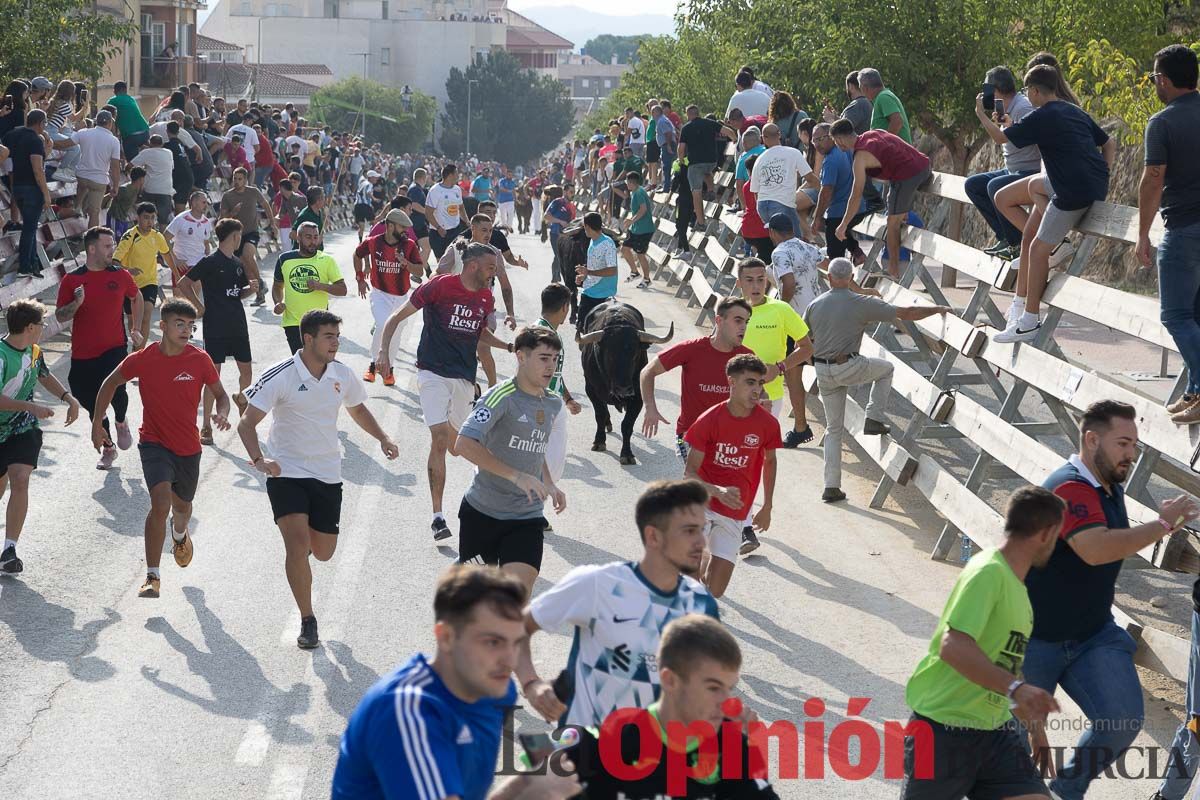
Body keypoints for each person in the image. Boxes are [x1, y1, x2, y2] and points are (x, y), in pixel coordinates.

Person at [1022, 400, 1198, 799]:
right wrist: (1162, 523)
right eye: (1123, 443)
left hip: (1091, 635)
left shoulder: (1108, 486)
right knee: (1009, 751)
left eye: (1134, 445)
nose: (1131, 455)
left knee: (1120, 719)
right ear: (1091, 439)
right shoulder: (1068, 486)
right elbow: (1095, 549)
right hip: (1033, 639)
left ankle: (1065, 791)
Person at [331, 564, 581, 800]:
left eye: (515, 642)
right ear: (447, 637)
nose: (509, 661)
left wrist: (525, 783)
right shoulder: (408, 713)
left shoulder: (495, 692)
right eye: (493, 642)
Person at [239, 309, 399, 649]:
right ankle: (308, 620)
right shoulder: (280, 375)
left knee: (323, 552)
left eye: (337, 337)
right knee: (297, 547)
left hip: (327, 472)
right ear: (308, 339)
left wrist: (382, 437)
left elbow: (356, 408)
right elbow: (246, 422)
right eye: (329, 336)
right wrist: (259, 459)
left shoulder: (341, 374)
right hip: (287, 472)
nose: (336, 343)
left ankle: (303, 562)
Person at [900, 487, 1065, 800]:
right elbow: (953, 646)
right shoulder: (988, 572)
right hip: (942, 731)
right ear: (1046, 533)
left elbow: (1007, 664)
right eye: (1058, 535)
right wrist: (1016, 689)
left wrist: (1036, 730)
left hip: (995, 735)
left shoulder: (1018, 590)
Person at [516, 479, 720, 727]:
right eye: (689, 531)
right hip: (586, 749)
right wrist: (530, 683)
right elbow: (517, 628)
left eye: (703, 529)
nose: (701, 542)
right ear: (653, 536)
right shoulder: (596, 584)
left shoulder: (701, 603)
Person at [91, 299, 229, 598]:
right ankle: (152, 576)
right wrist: (96, 423)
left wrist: (222, 412)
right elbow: (109, 383)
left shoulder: (200, 359)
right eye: (180, 324)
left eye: (191, 326)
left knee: (182, 507)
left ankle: (179, 533)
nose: (186, 331)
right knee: (160, 504)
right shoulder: (143, 358)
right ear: (162, 326)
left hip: (188, 447)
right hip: (153, 442)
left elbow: (220, 394)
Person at [560, 614, 778, 799]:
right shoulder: (603, 741)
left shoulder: (733, 747)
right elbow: (530, 777)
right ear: (670, 680)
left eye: (729, 688)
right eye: (713, 688)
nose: (726, 702)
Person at [376, 243, 510, 542]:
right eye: (491, 268)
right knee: (439, 438)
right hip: (432, 371)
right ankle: (438, 517)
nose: (495, 274)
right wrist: (384, 351)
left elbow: (480, 333)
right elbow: (396, 317)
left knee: (457, 446)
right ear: (473, 266)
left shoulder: (486, 297)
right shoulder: (438, 286)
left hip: (463, 376)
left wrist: (509, 347)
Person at [977, 65, 1114, 343]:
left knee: (1038, 250)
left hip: (1070, 192)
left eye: (1028, 91)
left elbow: (1001, 138)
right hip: (1089, 185)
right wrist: (1104, 179)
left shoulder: (1041, 116)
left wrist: (981, 114)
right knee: (1028, 187)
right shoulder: (1072, 110)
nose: (1027, 96)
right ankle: (1050, 229)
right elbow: (1109, 143)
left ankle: (1029, 321)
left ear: (1036, 91)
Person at [805, 258, 951, 502]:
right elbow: (906, 314)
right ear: (852, 278)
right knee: (886, 369)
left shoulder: (814, 304)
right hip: (847, 364)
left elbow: (805, 338)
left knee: (833, 429)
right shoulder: (862, 302)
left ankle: (831, 486)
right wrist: (936, 310)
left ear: (829, 278)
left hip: (822, 369)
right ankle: (873, 417)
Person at [454, 326, 565, 598]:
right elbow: (463, 444)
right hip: (482, 513)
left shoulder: (552, 403)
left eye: (555, 359)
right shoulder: (499, 396)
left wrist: (548, 483)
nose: (550, 366)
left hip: (526, 516)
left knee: (517, 592)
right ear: (521, 357)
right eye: (543, 358)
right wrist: (516, 476)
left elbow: (536, 450)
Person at [1138, 45, 1200, 426]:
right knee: (1196, 315)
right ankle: (1195, 392)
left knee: (1176, 315)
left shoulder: (1161, 123)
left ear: (1163, 79)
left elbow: (1153, 178)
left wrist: (1143, 233)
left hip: (1183, 229)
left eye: (1154, 78)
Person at [683, 355, 781, 598]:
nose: (757, 389)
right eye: (750, 382)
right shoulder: (708, 420)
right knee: (690, 582)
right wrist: (717, 491)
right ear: (732, 382)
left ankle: (705, 564)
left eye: (760, 383)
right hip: (701, 505)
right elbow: (689, 474)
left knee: (715, 591)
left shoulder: (767, 424)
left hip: (736, 512)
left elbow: (770, 461)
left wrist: (767, 506)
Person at [0, 301, 82, 575]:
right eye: (42, 324)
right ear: (31, 327)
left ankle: (9, 549)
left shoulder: (34, 352)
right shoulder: (0, 355)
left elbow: (44, 376)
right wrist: (29, 406)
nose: (45, 328)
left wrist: (68, 398)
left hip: (23, 429)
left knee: (20, 479)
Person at [59, 227, 143, 470]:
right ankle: (108, 445)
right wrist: (77, 303)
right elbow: (61, 316)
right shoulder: (73, 279)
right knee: (87, 396)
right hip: (83, 353)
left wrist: (135, 327)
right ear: (92, 248)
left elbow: (135, 297)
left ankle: (120, 421)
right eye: (108, 246)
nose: (112, 250)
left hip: (114, 347)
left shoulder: (121, 275)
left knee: (116, 390)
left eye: (113, 245)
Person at [177, 218, 259, 444]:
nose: (240, 240)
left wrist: (250, 290)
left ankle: (242, 401)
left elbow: (237, 293)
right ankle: (205, 427)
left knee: (247, 373)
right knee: (213, 377)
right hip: (215, 326)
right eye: (239, 236)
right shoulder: (210, 261)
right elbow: (183, 283)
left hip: (237, 324)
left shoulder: (237, 263)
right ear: (233, 236)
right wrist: (198, 307)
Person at [641, 296, 754, 461]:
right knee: (699, 483)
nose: (743, 327)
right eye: (738, 321)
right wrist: (650, 408)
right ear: (719, 320)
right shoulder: (691, 349)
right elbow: (647, 372)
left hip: (730, 439)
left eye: (746, 322)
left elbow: (756, 393)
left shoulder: (747, 357)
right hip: (690, 437)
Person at [831, 119, 932, 279]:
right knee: (891, 198)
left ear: (840, 140)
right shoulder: (872, 133)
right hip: (924, 165)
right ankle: (902, 213)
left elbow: (856, 195)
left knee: (892, 224)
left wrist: (843, 225)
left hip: (909, 174)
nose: (837, 145)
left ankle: (893, 271)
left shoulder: (860, 158)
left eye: (835, 142)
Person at [965, 66, 1043, 262]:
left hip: (1030, 171)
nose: (985, 93)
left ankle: (1016, 242)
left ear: (996, 88)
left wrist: (981, 114)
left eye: (987, 88)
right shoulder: (1007, 108)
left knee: (995, 186)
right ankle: (1006, 238)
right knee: (973, 185)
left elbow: (1001, 139)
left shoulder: (1022, 107)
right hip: (1014, 169)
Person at [765, 214, 825, 447]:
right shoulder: (807, 246)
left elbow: (788, 285)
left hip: (795, 319)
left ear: (772, 232)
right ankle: (801, 427)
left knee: (792, 373)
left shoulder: (779, 253)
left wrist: (780, 307)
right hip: (818, 314)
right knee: (817, 367)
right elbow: (829, 267)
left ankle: (801, 427)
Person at [357, 209, 423, 384]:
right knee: (382, 325)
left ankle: (388, 370)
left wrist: (406, 263)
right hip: (380, 294)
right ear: (390, 225)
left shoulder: (409, 245)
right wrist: (360, 278)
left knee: (395, 333)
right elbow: (357, 254)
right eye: (402, 227)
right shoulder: (373, 242)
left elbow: (420, 270)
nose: (406, 231)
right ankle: (372, 365)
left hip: (401, 298)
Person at [273, 221, 347, 354]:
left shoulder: (326, 260)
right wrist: (278, 302)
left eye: (315, 237)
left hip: (320, 323)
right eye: (308, 237)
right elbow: (277, 286)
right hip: (293, 323)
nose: (313, 241)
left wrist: (320, 286)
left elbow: (342, 289)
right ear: (298, 237)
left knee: (320, 364)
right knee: (301, 365)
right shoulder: (284, 259)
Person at [114, 202, 180, 350]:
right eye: (146, 217)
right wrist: (129, 270)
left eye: (152, 218)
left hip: (149, 282)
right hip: (129, 285)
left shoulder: (157, 236)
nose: (150, 221)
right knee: (132, 320)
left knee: (146, 315)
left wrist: (177, 275)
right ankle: (135, 347)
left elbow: (167, 255)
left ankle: (139, 353)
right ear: (137, 218)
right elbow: (115, 261)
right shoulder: (130, 235)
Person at [535, 284, 580, 492]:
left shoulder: (542, 330)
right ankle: (533, 512)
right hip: (542, 406)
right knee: (546, 460)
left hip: (548, 404)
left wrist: (568, 399)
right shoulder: (546, 336)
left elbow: (554, 375)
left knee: (548, 460)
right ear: (565, 307)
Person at [2, 109, 54, 278]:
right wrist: (46, 195)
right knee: (30, 229)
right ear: (41, 123)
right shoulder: (34, 140)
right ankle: (25, 267)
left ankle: (32, 265)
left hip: (17, 186)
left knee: (30, 226)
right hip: (32, 188)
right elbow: (37, 169)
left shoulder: (13, 135)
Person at [811, 122, 871, 263]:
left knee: (835, 259)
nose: (817, 144)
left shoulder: (831, 160)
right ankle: (857, 253)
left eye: (820, 139)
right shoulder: (847, 149)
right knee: (841, 230)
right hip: (859, 208)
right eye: (814, 141)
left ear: (831, 137)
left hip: (839, 212)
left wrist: (817, 217)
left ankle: (843, 281)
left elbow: (826, 192)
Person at [219, 166, 279, 304]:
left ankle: (260, 284)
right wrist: (232, 213)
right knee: (247, 268)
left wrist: (272, 223)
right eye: (235, 178)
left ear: (245, 180)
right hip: (235, 236)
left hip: (251, 232)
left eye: (240, 179)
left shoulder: (253, 191)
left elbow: (265, 205)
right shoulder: (228, 196)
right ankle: (259, 294)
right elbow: (222, 218)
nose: (237, 181)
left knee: (247, 255)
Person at [750, 122, 819, 242]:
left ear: (763, 138)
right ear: (779, 135)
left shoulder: (759, 159)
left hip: (762, 206)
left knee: (779, 243)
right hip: (782, 203)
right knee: (793, 243)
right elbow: (810, 178)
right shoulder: (793, 153)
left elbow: (755, 191)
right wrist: (826, 191)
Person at [676, 105, 737, 227]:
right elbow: (729, 131)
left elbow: (681, 148)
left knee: (696, 193)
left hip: (695, 164)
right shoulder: (710, 123)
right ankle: (710, 189)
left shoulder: (687, 128)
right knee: (706, 171)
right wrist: (735, 142)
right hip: (711, 162)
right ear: (698, 113)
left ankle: (701, 222)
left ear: (688, 115)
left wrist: (681, 161)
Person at [71, 109, 123, 229]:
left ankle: (78, 205)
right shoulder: (113, 141)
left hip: (82, 176)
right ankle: (92, 238)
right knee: (94, 212)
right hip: (98, 180)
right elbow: (115, 167)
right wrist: (115, 186)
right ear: (110, 123)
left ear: (96, 121)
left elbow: (66, 143)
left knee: (83, 185)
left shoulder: (84, 132)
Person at [576, 212, 618, 332]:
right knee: (581, 330)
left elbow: (612, 270)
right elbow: (593, 267)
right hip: (589, 291)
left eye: (584, 227)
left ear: (588, 227)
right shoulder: (592, 241)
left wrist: (588, 272)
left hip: (602, 296)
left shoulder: (608, 244)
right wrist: (583, 276)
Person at [163, 190, 213, 282]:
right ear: (194, 203)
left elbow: (206, 241)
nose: (206, 205)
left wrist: (207, 255)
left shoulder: (206, 222)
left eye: (207, 203)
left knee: (197, 296)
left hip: (199, 266)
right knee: (179, 296)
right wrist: (176, 260)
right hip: (182, 267)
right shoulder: (181, 219)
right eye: (203, 202)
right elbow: (164, 239)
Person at [130, 135, 176, 225]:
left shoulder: (146, 152)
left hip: (150, 190)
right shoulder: (169, 152)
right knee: (164, 221)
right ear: (162, 144)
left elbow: (130, 165)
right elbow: (172, 167)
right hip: (165, 190)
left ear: (150, 143)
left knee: (146, 218)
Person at [620, 172, 656, 288]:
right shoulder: (635, 191)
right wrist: (631, 220)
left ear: (631, 182)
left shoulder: (639, 193)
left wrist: (631, 220)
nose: (626, 184)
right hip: (635, 229)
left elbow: (643, 209)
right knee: (624, 249)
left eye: (627, 182)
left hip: (644, 229)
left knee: (641, 255)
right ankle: (635, 272)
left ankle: (646, 279)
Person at [858, 67, 912, 143]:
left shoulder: (883, 97)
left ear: (865, 88)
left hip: (897, 153)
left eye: (860, 88)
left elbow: (897, 121)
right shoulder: (882, 97)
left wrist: (885, 144)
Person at [427, 163, 468, 259]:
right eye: (456, 174)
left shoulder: (457, 189)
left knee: (456, 261)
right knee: (442, 263)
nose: (458, 176)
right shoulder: (435, 190)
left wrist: (467, 220)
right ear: (450, 176)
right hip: (439, 233)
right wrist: (438, 228)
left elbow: (461, 207)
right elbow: (428, 213)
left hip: (455, 231)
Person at [407, 167, 433, 266]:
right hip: (416, 223)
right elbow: (413, 204)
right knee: (426, 248)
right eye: (426, 177)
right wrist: (427, 212)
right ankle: (415, 270)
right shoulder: (415, 189)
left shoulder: (417, 188)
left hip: (419, 223)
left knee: (425, 248)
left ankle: (420, 270)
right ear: (423, 177)